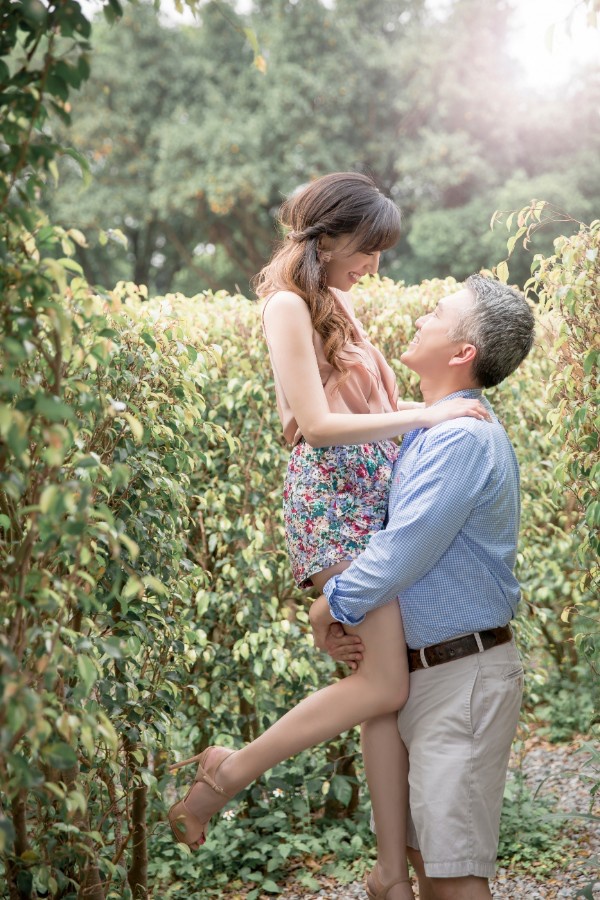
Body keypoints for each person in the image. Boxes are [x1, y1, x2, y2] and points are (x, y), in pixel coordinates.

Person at [167, 172, 489, 900]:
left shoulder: (337, 300)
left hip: (375, 497)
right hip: (333, 504)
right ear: (332, 235)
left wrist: (439, 410)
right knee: (384, 680)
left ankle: (387, 875)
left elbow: (371, 402)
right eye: (368, 250)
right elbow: (312, 425)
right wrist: (425, 418)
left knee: (377, 690)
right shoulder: (285, 304)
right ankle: (228, 772)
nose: (374, 266)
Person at [309, 274, 535, 900]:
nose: (421, 316)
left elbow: (403, 546)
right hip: (424, 674)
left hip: (460, 676)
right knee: (425, 865)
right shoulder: (433, 429)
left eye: (437, 312)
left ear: (463, 352)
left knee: (454, 878)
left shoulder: (462, 437)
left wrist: (329, 606)